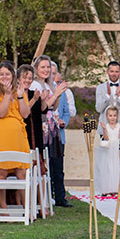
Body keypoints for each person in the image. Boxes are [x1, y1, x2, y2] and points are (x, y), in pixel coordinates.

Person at [0, 61, 32, 209]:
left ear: (13, 76)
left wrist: (19, 97)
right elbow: (0, 112)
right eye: (1, 74)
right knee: (1, 174)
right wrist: (6, 94)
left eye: (7, 74)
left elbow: (25, 114)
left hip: (18, 138)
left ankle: (26, 208)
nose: (4, 77)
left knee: (22, 173)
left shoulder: (20, 92)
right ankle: (4, 209)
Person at [32, 56, 71, 208]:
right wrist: (55, 94)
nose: (46, 70)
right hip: (42, 126)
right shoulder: (35, 84)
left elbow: (53, 108)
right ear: (36, 68)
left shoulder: (49, 84)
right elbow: (42, 108)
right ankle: (44, 197)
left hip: (52, 126)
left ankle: (59, 196)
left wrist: (58, 94)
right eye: (43, 67)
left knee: (56, 161)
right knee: (43, 163)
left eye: (48, 67)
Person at [51, 62, 75, 208]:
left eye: (54, 73)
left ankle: (60, 197)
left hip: (59, 135)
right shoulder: (42, 89)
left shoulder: (64, 93)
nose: (53, 76)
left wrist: (63, 122)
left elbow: (66, 112)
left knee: (58, 168)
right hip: (45, 134)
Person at [95, 106, 120, 196]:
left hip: (117, 148)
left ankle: (119, 188)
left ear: (117, 116)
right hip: (109, 149)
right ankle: (109, 188)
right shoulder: (107, 126)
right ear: (107, 116)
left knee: (118, 167)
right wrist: (104, 128)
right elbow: (106, 138)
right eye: (110, 115)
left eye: (114, 115)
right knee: (109, 168)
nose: (112, 118)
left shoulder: (119, 125)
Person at [95, 60, 120, 126]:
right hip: (105, 126)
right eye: (112, 71)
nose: (114, 74)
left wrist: (119, 96)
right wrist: (108, 96)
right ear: (107, 72)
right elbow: (98, 109)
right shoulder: (100, 88)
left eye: (116, 72)